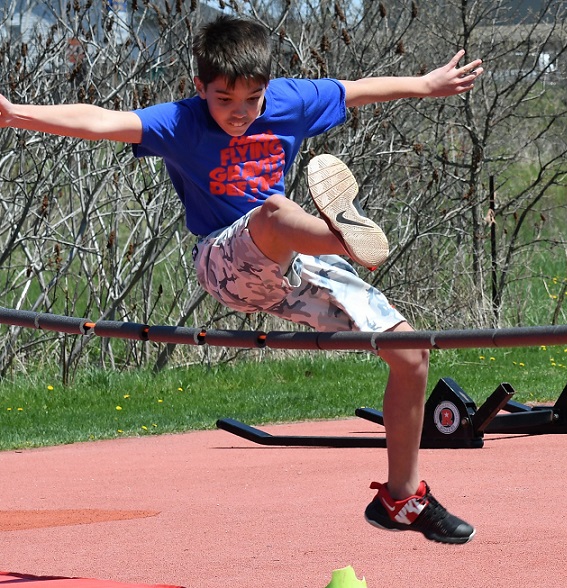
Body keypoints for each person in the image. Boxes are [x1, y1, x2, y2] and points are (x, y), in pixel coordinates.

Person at [0, 14, 483, 545]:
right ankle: (341, 235)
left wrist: (426, 85)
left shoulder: (291, 103)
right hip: (223, 263)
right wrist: (15, 114)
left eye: (251, 101)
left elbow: (355, 90)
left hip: (293, 265)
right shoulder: (181, 123)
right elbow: (100, 121)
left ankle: (402, 498)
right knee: (274, 211)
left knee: (410, 353)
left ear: (267, 90)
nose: (238, 113)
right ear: (199, 87)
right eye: (224, 100)